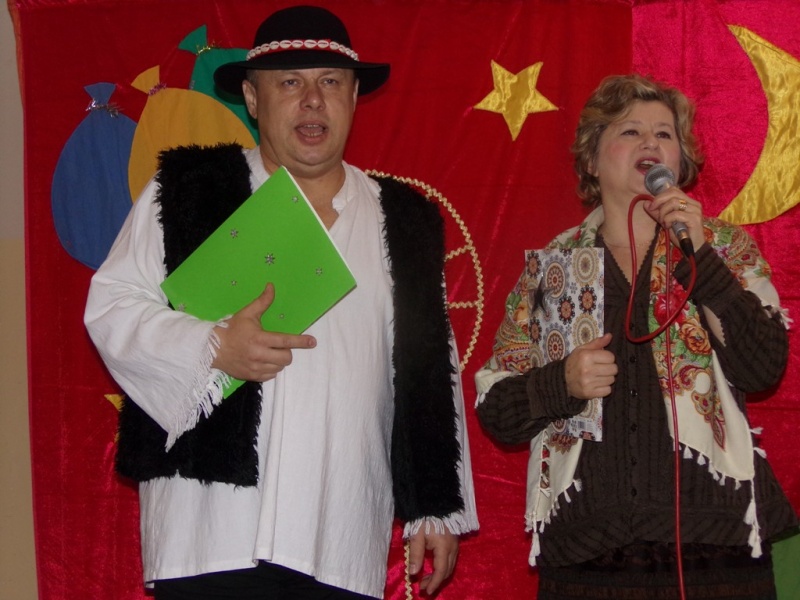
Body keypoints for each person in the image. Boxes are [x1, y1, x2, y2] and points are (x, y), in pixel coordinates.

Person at [84, 5, 478, 599]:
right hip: (209, 533)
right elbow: (111, 305)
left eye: (330, 82)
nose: (312, 101)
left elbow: (430, 368)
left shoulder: (404, 219)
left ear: (353, 97)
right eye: (290, 82)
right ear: (252, 96)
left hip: (342, 535)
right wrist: (213, 346)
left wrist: (437, 507)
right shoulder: (188, 190)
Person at [475, 73, 797, 599]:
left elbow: (763, 368)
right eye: (630, 131)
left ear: (680, 161)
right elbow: (497, 409)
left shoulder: (724, 247)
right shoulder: (555, 267)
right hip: (587, 557)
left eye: (665, 134)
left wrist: (701, 258)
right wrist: (561, 382)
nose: (651, 142)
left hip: (716, 549)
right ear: (591, 159)